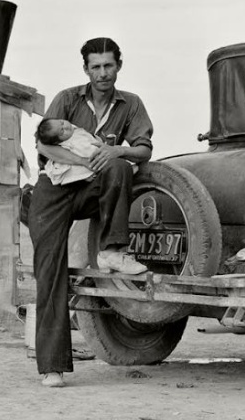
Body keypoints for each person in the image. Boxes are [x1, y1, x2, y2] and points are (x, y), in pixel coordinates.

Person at [28, 37, 154, 388]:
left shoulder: (131, 104)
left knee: (119, 166)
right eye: (95, 67)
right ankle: (52, 367)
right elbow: (43, 145)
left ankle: (112, 251)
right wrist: (83, 160)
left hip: (90, 191)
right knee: (50, 272)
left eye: (108, 65)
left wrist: (117, 152)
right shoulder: (67, 99)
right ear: (86, 69)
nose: (102, 73)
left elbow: (143, 150)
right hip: (53, 192)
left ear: (119, 66)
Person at [36, 118, 102, 186]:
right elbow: (89, 153)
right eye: (62, 131)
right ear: (58, 142)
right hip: (87, 169)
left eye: (62, 122)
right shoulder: (68, 145)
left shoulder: (73, 130)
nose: (66, 127)